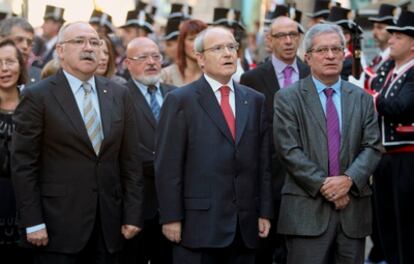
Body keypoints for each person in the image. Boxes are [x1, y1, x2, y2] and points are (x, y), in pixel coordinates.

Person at [11, 22, 144, 264]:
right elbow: (23, 164)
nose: (89, 48)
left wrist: (133, 214)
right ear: (60, 50)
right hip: (56, 228)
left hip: (110, 228)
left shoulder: (118, 94)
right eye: (79, 42)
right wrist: (33, 221)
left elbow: (130, 161)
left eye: (94, 42)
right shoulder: (38, 96)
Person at [155, 26, 273, 264]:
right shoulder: (180, 100)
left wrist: (264, 212)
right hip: (198, 227)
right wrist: (171, 217)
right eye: (218, 48)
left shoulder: (254, 100)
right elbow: (168, 165)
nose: (228, 53)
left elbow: (263, 164)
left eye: (231, 47)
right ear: (200, 58)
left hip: (245, 226)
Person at [273, 23, 382, 264]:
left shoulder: (362, 99)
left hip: (352, 213)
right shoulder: (288, 98)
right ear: (308, 57)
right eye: (322, 50)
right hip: (306, 214)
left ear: (345, 54)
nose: (331, 55)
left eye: (336, 49)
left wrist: (349, 180)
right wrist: (328, 186)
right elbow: (288, 150)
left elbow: (373, 146)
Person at [240, 15, 310, 264]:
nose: (289, 41)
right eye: (282, 36)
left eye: (294, 35)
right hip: (268, 179)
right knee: (266, 250)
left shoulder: (311, 73)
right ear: (269, 40)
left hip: (307, 179)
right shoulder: (253, 79)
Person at [122, 37, 175, 264]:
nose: (151, 62)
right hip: (137, 204)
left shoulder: (176, 95)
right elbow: (125, 147)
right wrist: (168, 165)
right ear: (127, 63)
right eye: (142, 57)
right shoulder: (118, 95)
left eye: (156, 56)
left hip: (173, 205)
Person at [373, 10, 414, 264]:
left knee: (407, 224)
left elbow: (402, 106)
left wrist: (372, 98)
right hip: (385, 157)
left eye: (397, 36)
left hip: (408, 159)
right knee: (385, 222)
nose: (390, 41)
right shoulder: (390, 70)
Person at [0, 40, 32, 262]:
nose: (4, 68)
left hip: (25, 199)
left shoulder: (33, 103)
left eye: (10, 62)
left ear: (20, 65)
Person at [161, 19, 207, 87]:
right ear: (182, 43)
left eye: (201, 39)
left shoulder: (213, 75)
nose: (197, 44)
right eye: (191, 39)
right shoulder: (166, 75)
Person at [0, 17, 41, 85]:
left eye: (29, 42)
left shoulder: (40, 78)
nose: (25, 46)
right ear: (2, 40)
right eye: (19, 40)